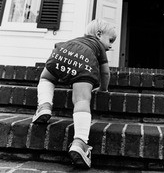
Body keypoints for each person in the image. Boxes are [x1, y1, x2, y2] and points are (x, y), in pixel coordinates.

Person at [32, 19, 116, 168]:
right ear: (98, 34)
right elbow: (105, 72)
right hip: (85, 58)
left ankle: (44, 105)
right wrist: (103, 89)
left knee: (46, 77)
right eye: (110, 40)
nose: (110, 46)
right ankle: (80, 142)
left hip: (62, 50)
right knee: (81, 100)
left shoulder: (77, 39)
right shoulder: (98, 48)